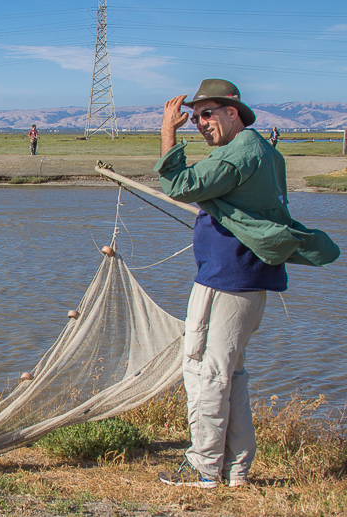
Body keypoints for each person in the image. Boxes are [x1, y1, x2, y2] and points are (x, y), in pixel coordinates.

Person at [155, 79, 339, 488]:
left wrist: (168, 132)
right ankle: (233, 471)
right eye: (196, 116)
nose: (200, 122)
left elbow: (179, 184)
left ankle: (204, 470)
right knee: (229, 373)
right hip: (236, 275)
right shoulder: (262, 151)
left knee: (205, 370)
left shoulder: (240, 152)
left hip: (229, 277)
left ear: (232, 112)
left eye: (208, 113)